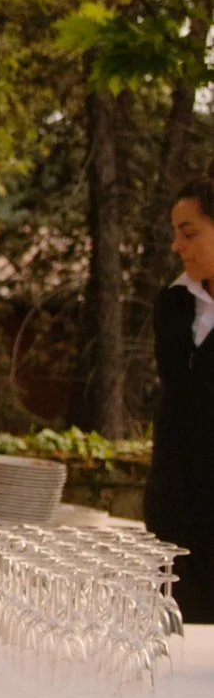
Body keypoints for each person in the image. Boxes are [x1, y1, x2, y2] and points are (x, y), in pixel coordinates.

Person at [144, 180, 214, 624]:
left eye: (189, 233)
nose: (176, 245)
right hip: (174, 521)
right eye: (175, 233)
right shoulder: (173, 303)